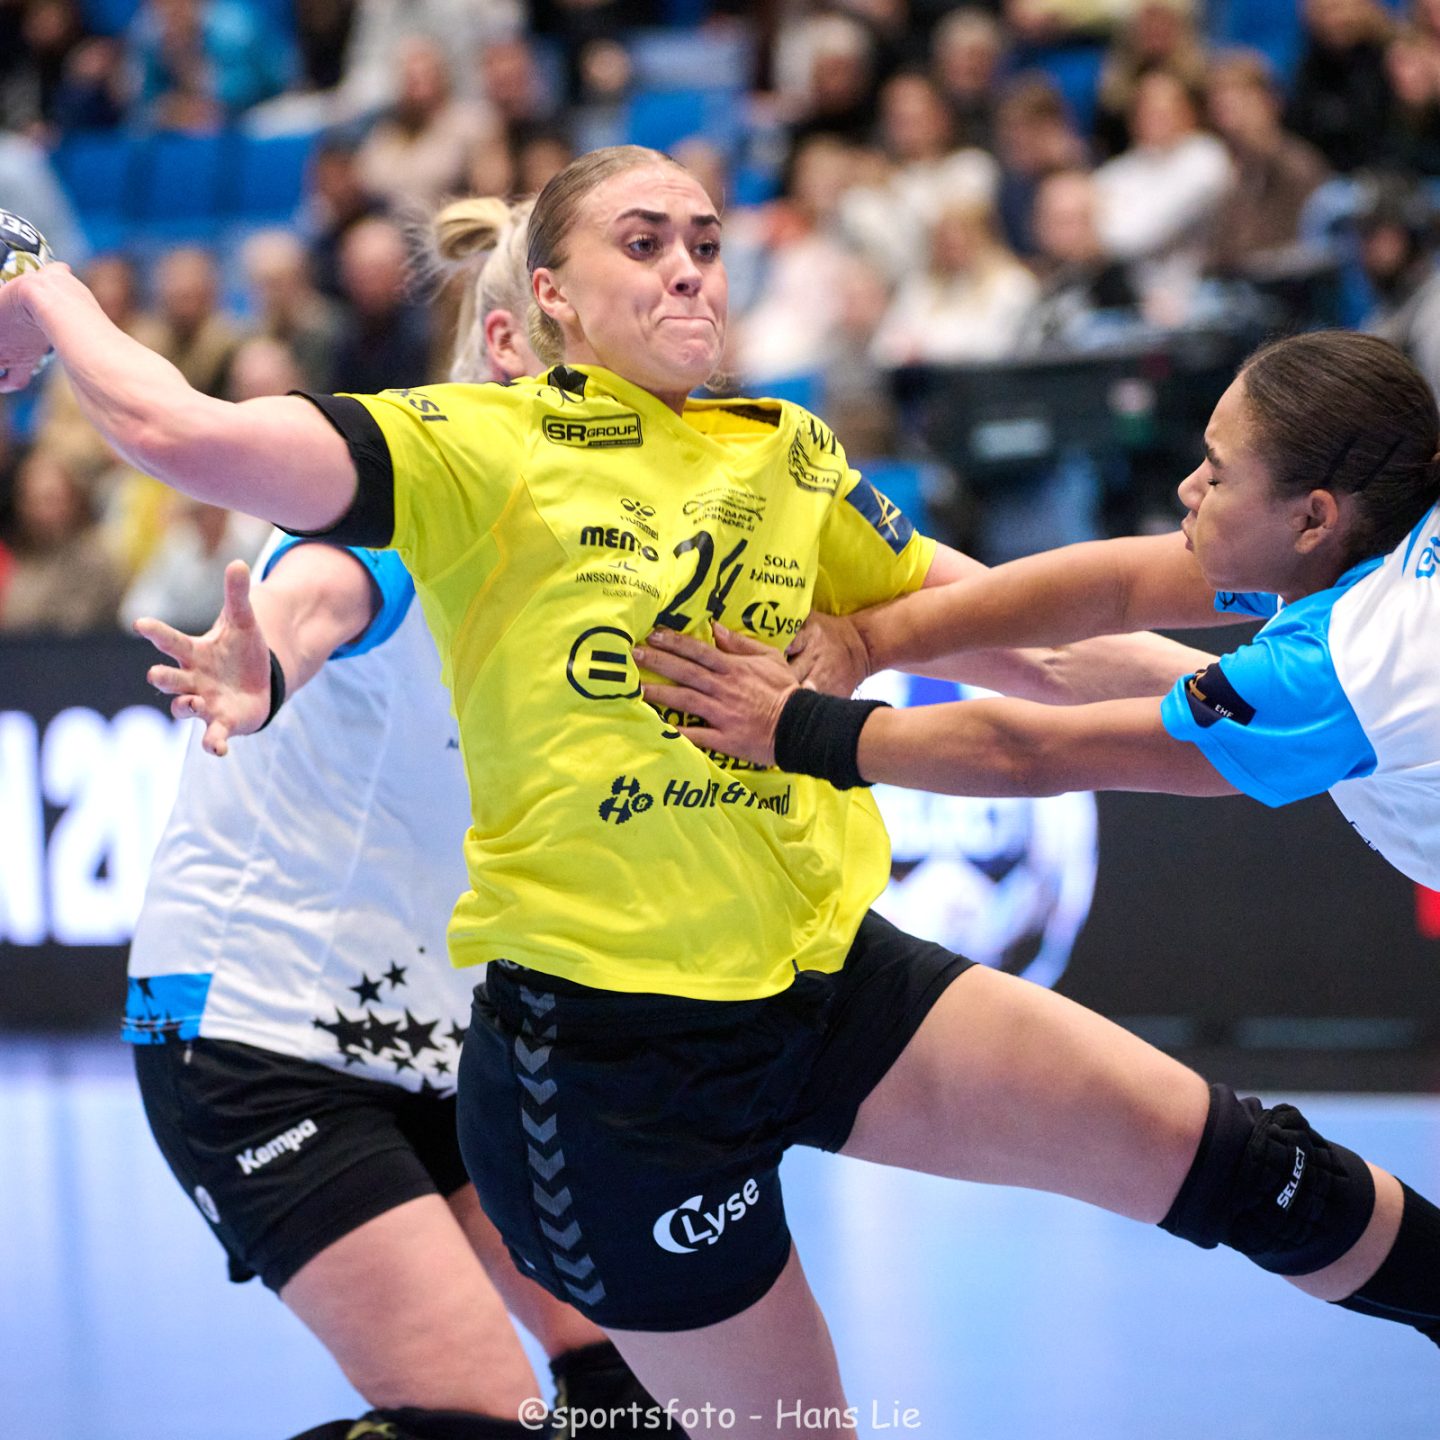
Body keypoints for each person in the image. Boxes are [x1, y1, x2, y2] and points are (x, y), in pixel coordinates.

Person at [3, 149, 1438, 1438]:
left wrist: (1315, 710)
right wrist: (47, 292)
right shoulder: (471, 453)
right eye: (643, 244)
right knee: (515, 1415)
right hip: (552, 1055)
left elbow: (1039, 638)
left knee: (1249, 1165)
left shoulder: (781, 451)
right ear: (544, 307)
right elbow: (252, 505)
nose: (690, 264)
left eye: (705, 238)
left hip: (807, 979)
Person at [123, 197, 671, 1440]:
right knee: (475, 1420)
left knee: (637, 1391)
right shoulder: (409, 494)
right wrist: (268, 662)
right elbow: (322, 584)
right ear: (515, 350)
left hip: (449, 1044)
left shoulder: (626, 545)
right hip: (248, 1029)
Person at [636, 330, 1440, 906]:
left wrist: (789, 727)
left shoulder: (1344, 663)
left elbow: (1032, 756)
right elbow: (1118, 586)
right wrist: (868, 639)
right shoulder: (1377, 507)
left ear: (1313, 519)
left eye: (1218, 476)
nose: (1188, 489)